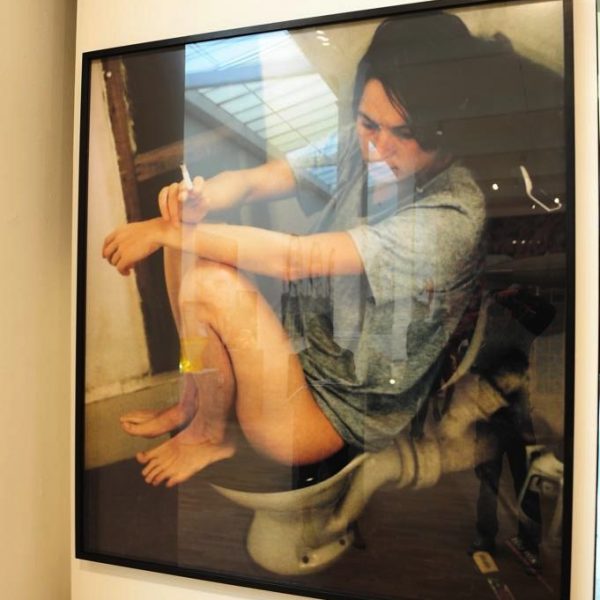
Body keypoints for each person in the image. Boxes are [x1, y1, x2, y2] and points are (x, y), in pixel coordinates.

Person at [102, 12, 496, 488]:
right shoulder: (361, 143)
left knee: (205, 281)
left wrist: (164, 232)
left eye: (404, 133)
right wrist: (197, 199)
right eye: (369, 123)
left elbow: (296, 260)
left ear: (443, 129)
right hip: (300, 347)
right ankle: (193, 396)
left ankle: (208, 433)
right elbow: (256, 180)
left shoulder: (453, 214)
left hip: (330, 413)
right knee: (185, 235)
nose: (377, 147)